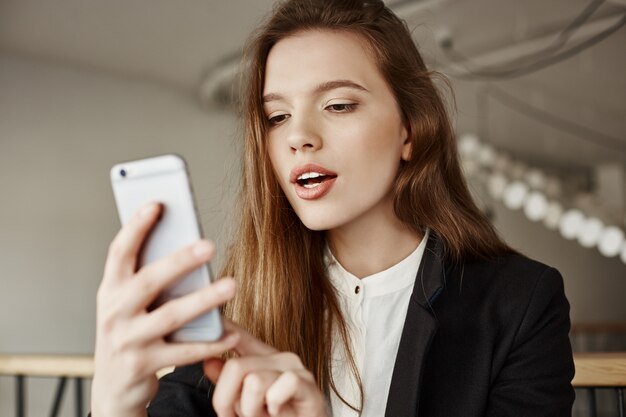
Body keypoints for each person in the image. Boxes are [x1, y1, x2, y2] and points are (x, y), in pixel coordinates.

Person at [90, 0, 575, 416]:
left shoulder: (521, 301)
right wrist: (115, 401)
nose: (299, 137)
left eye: (339, 105)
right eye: (277, 116)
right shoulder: (243, 304)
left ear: (410, 129)